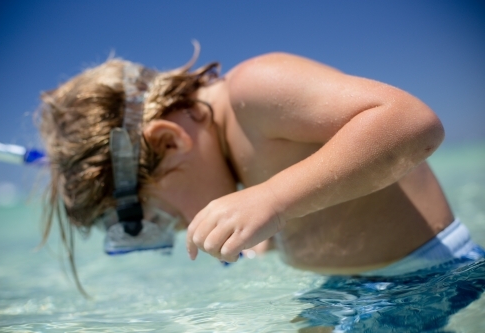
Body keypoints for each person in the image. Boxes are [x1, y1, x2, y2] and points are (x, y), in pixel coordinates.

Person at [38, 46, 483, 289]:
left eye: (165, 216)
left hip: (430, 278)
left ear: (169, 141)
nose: (178, 227)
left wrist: (272, 200)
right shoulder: (232, 158)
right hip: (348, 292)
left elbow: (413, 124)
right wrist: (264, 239)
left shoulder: (256, 88)